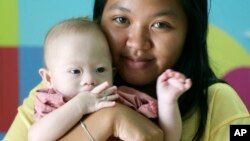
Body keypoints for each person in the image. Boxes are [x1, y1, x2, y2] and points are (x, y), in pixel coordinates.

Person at [4, 0, 250, 141]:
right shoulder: (57, 90)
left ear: (190, 33)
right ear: (99, 20)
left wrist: (166, 102)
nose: (137, 42)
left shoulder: (219, 102)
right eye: (121, 20)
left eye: (160, 25)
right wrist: (111, 120)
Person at [27, 17, 191, 141]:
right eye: (75, 71)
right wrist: (80, 105)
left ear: (112, 73)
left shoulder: (122, 98)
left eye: (100, 69)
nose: (90, 79)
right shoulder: (53, 103)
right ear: (49, 78)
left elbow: (166, 138)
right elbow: (36, 137)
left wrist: (167, 101)